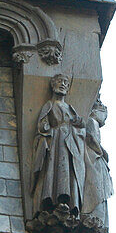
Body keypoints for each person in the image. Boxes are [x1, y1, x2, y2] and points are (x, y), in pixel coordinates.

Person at [31, 74, 86, 217]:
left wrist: (78, 124)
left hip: (70, 141)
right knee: (55, 169)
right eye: (59, 82)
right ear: (53, 85)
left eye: (65, 83)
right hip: (56, 140)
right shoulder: (50, 104)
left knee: (69, 170)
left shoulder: (70, 107)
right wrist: (45, 127)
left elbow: (79, 125)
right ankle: (54, 198)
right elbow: (42, 125)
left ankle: (70, 201)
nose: (62, 85)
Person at [81, 97, 112, 233]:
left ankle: (96, 218)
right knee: (95, 189)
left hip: (95, 160)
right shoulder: (91, 121)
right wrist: (102, 152)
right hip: (93, 160)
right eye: (103, 113)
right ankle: (92, 217)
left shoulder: (93, 122)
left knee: (98, 189)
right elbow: (91, 139)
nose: (104, 118)